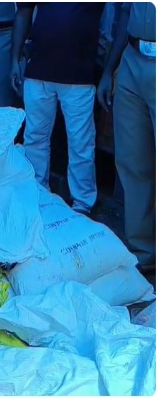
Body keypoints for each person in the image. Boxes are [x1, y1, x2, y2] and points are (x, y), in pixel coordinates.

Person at [10, 2, 106, 217]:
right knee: (34, 137)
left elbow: (122, 16)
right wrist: (15, 58)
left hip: (78, 75)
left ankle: (82, 205)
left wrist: (109, 70)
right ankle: (37, 193)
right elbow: (24, 11)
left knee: (80, 143)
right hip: (38, 69)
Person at [97, 2, 156, 272]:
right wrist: (110, 68)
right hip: (132, 58)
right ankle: (143, 253)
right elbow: (123, 12)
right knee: (133, 162)